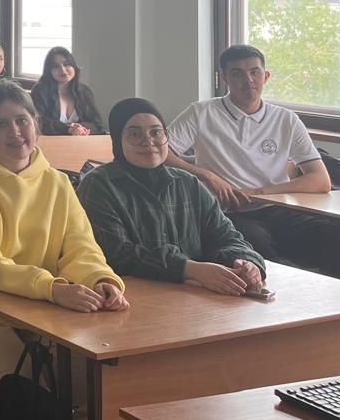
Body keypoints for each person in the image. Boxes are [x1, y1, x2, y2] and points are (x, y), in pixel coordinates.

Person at [0, 83, 127, 401]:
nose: (15, 132)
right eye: (2, 124)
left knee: (90, 376)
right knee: (29, 383)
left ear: (36, 122)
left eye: (21, 120)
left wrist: (99, 279)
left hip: (35, 308)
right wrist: (52, 288)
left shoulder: (57, 182)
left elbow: (80, 247)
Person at [165, 44, 340, 278]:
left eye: (254, 72)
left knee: (334, 235)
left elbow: (320, 180)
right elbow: (162, 153)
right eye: (237, 73)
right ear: (224, 78)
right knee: (260, 257)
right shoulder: (201, 112)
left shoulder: (286, 119)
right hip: (228, 213)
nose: (248, 80)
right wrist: (206, 175)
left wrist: (261, 192)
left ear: (265, 76)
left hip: (279, 208)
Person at [78, 98, 266, 293]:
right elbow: (118, 255)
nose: (148, 141)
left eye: (156, 132)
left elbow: (227, 236)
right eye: (135, 134)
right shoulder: (99, 186)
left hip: (196, 298)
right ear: (118, 140)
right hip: (133, 298)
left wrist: (245, 262)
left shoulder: (188, 183)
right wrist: (189, 269)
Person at [31, 46, 105, 135]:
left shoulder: (84, 91)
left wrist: (81, 129)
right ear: (49, 71)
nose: (62, 70)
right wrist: (68, 129)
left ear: (74, 66)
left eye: (66, 64)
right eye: (55, 66)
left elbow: (97, 123)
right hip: (51, 141)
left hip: (82, 141)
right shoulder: (40, 91)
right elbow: (39, 122)